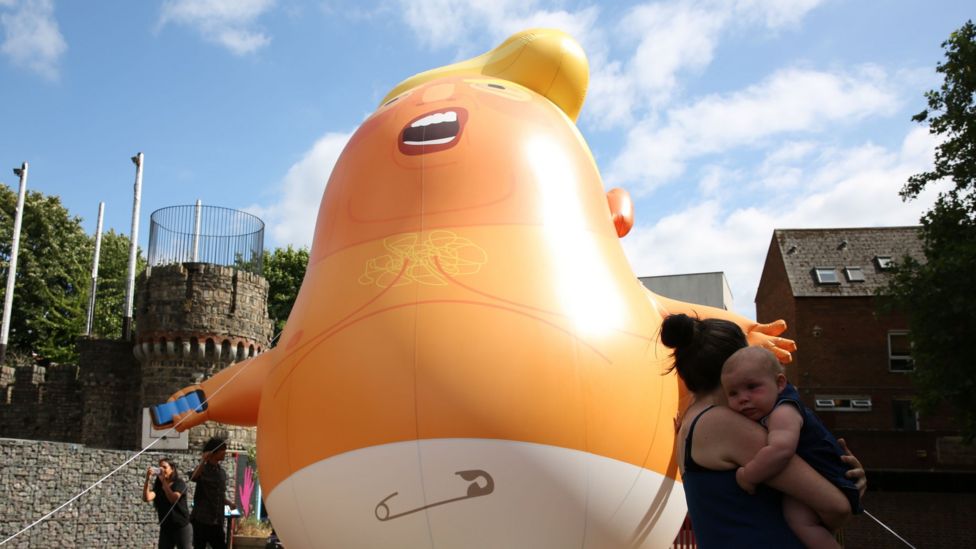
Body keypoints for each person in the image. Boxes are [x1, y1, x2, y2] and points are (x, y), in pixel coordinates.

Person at [661, 313, 866, 548]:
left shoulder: (691, 422)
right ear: (736, 364)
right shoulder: (721, 424)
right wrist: (846, 486)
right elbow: (836, 506)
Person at [721, 346, 861, 548]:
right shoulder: (768, 409)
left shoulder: (783, 412)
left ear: (779, 383)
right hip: (827, 475)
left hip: (831, 476)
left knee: (801, 522)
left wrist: (748, 475)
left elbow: (781, 450)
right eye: (733, 393)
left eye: (752, 387)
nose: (743, 398)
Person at [190, 437, 236, 549]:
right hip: (201, 520)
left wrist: (228, 503)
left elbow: (219, 495)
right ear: (213, 452)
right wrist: (203, 460)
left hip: (217, 520)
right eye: (222, 450)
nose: (225, 452)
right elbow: (193, 477)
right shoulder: (203, 469)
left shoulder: (221, 472)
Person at [143, 457, 192, 549]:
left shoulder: (179, 483)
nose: (162, 470)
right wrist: (147, 480)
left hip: (181, 526)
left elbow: (173, 499)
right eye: (160, 468)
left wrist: (163, 481)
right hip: (166, 527)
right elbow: (147, 498)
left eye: (165, 467)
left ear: (172, 469)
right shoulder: (159, 486)